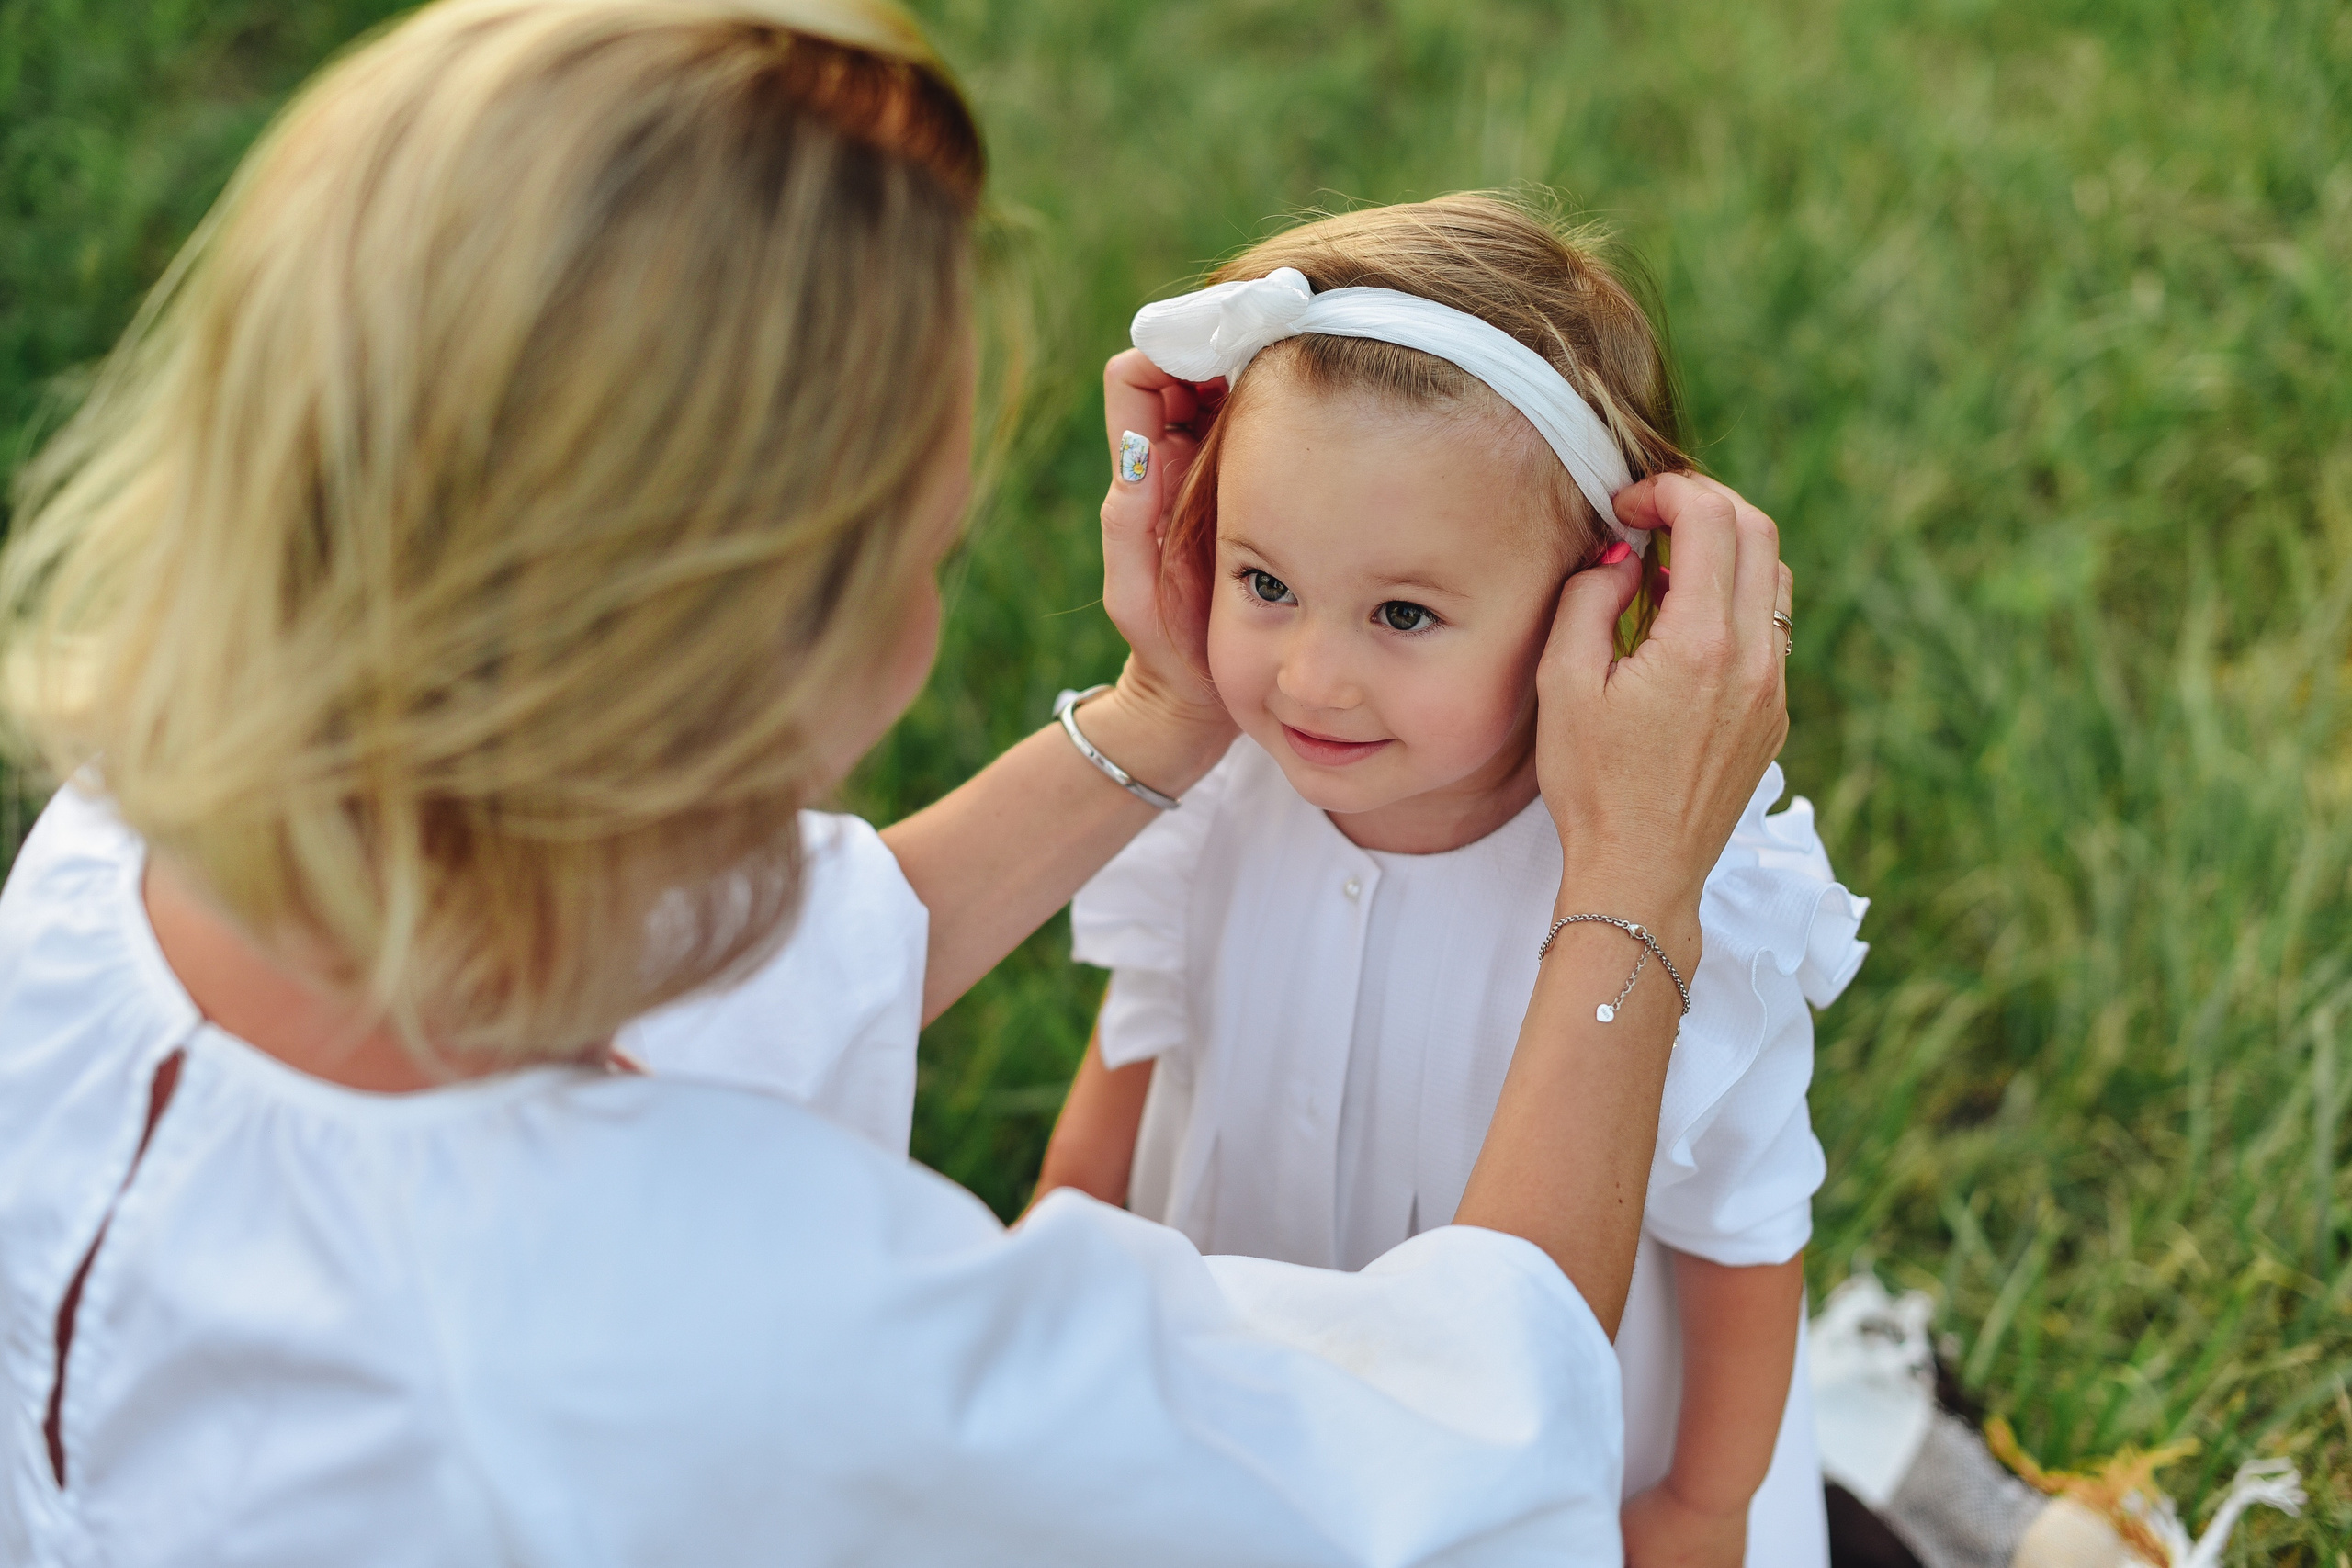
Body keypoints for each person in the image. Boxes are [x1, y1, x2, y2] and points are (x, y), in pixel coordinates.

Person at [0, 2, 1792, 1562]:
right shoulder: (733, 1337)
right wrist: (1628, 887)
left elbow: (690, 989)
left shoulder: (94, 892)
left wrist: (1161, 717)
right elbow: (1454, 1471)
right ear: (727, 651)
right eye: (920, 555)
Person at [1032, 197, 1868, 1568]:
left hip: (1561, 1484)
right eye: (1266, 582)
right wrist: (1052, 1262)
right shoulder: (1224, 795)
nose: (1309, 678)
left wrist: (1701, 1508)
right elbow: (1135, 1063)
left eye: (1403, 614)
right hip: (1238, 1428)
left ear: (1597, 594)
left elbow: (1742, 1236)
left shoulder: (1682, 886)